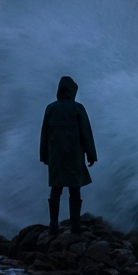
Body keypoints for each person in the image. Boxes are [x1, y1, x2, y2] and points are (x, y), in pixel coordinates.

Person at [39, 76, 97, 235]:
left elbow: (44, 134)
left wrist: (44, 156)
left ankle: (53, 225)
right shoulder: (78, 108)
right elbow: (86, 133)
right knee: (75, 189)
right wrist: (91, 155)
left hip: (55, 156)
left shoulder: (50, 108)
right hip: (74, 155)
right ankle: (75, 226)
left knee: (56, 189)